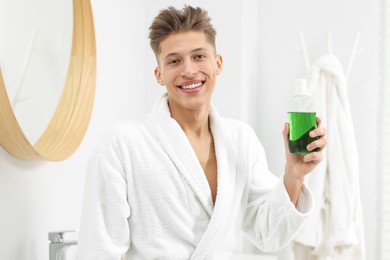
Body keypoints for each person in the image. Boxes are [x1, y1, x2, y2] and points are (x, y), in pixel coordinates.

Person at [76, 5, 327, 260]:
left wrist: (294, 176)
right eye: (174, 61)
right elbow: (98, 250)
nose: (188, 70)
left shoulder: (241, 140)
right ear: (159, 75)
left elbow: (269, 234)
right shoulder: (123, 144)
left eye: (198, 56)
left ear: (218, 63)